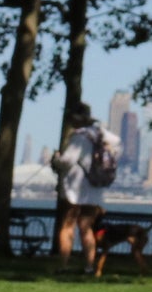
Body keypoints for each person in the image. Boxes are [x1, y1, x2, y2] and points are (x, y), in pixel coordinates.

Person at [50, 104, 120, 274]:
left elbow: (67, 161)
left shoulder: (79, 136)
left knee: (67, 226)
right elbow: (117, 144)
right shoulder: (101, 134)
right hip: (95, 188)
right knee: (86, 228)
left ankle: (63, 265)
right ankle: (89, 266)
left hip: (75, 188)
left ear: (77, 118)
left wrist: (55, 159)